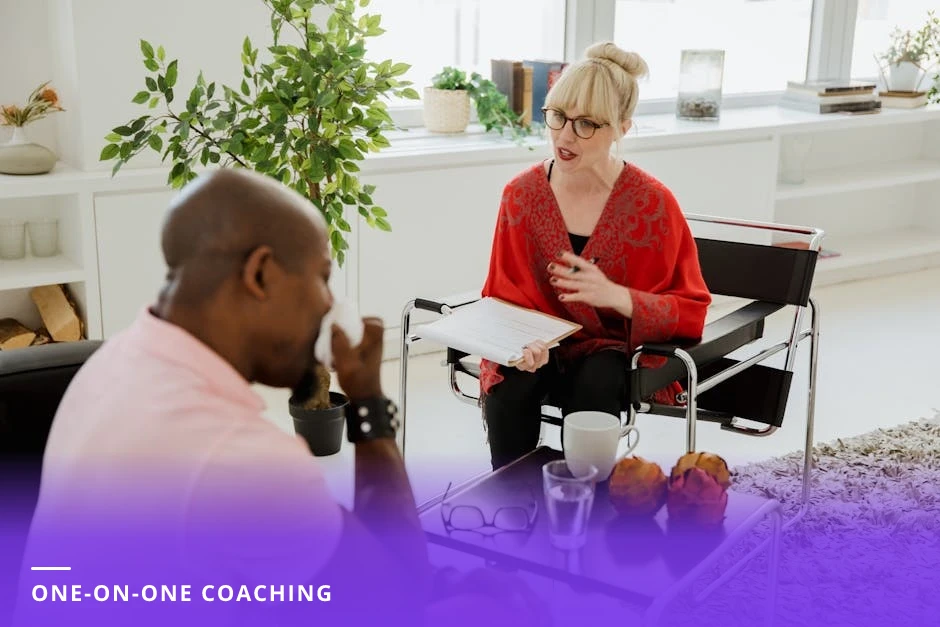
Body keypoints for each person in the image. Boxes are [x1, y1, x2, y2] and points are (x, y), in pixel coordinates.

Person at [16, 169, 544, 627]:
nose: (326, 306)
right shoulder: (236, 457)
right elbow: (398, 591)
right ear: (261, 273)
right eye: (321, 279)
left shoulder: (111, 365)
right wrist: (366, 403)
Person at [480, 42, 712, 470]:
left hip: (610, 349)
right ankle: (512, 508)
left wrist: (616, 296)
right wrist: (518, 340)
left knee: (598, 380)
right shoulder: (521, 195)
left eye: (587, 124)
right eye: (557, 116)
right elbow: (503, 294)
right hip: (537, 341)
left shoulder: (653, 205)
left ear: (622, 127)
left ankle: (585, 508)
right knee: (512, 386)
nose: (565, 136)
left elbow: (691, 310)